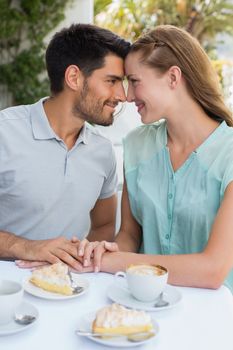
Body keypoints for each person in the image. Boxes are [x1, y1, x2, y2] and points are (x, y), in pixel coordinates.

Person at [78, 25, 233, 292]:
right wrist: (109, 250)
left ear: (173, 77)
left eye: (135, 81)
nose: (126, 96)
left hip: (212, 317)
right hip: (141, 305)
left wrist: (114, 262)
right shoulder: (137, 144)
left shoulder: (228, 154)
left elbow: (212, 270)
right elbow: (129, 234)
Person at [0, 23, 130, 270]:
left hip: (70, 293)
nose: (122, 95)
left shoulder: (102, 151)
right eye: (112, 81)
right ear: (74, 77)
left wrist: (80, 264)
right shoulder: (4, 132)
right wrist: (28, 247)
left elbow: (103, 225)